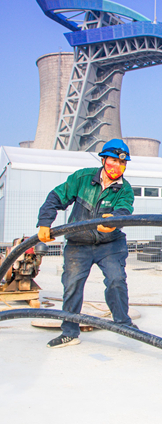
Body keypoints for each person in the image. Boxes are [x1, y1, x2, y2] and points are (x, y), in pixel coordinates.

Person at [37, 139, 136, 348]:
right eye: (112, 162)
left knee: (116, 280)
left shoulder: (124, 189)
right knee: (72, 284)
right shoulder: (82, 178)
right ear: (103, 160)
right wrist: (45, 223)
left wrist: (113, 221)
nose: (116, 167)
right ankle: (70, 332)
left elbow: (125, 211)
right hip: (78, 244)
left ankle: (124, 325)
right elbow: (55, 197)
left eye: (122, 163)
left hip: (110, 244)